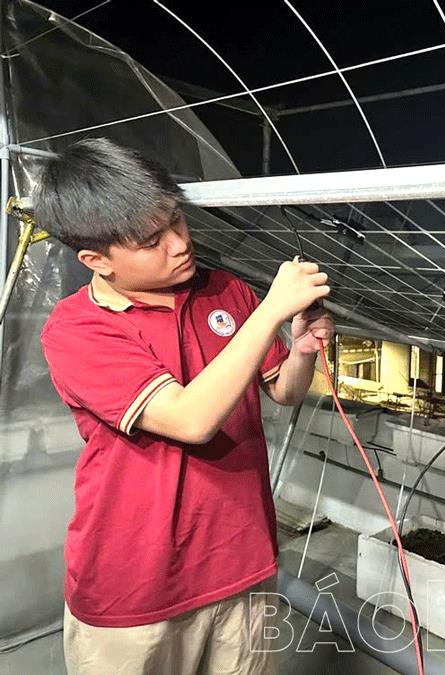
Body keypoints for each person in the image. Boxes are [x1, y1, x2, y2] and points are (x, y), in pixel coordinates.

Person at [36, 138, 334, 674]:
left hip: (241, 565)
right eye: (152, 241)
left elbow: (284, 392)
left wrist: (303, 351)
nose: (179, 244)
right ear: (96, 260)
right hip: (135, 588)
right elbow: (190, 419)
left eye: (176, 219)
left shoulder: (227, 293)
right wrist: (270, 312)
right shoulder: (78, 329)